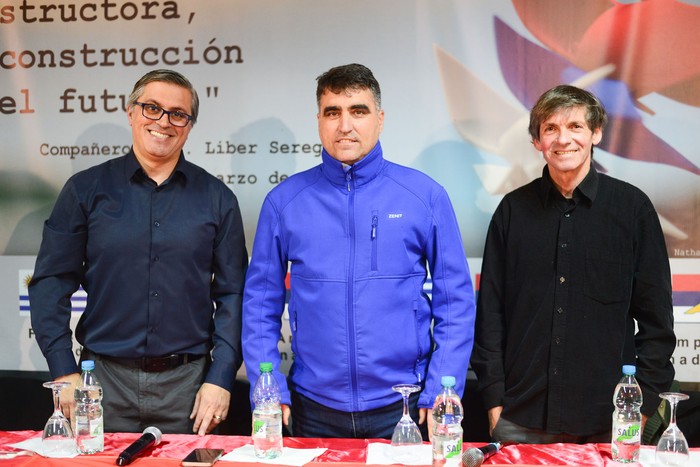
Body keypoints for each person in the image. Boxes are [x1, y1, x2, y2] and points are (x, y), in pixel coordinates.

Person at [242, 63, 475, 439]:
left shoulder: (424, 196)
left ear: (379, 119)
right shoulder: (284, 202)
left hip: (404, 407)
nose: (344, 125)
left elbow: (456, 302)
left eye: (358, 111)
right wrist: (266, 389)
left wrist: (440, 393)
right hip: (312, 406)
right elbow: (259, 305)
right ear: (318, 120)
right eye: (333, 112)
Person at [29, 69, 247, 435]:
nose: (164, 121)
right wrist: (63, 369)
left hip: (189, 388)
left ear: (189, 125)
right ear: (131, 112)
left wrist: (221, 376)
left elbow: (233, 294)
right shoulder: (85, 190)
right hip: (99, 384)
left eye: (178, 113)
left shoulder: (217, 199)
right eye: (151, 108)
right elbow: (51, 282)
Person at [471, 84, 676, 443]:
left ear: (596, 133)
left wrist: (641, 408)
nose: (563, 139)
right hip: (520, 417)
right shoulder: (512, 212)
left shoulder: (632, 210)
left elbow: (657, 324)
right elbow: (489, 317)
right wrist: (493, 401)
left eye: (575, 127)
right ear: (537, 141)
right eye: (551, 128)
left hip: (609, 419)